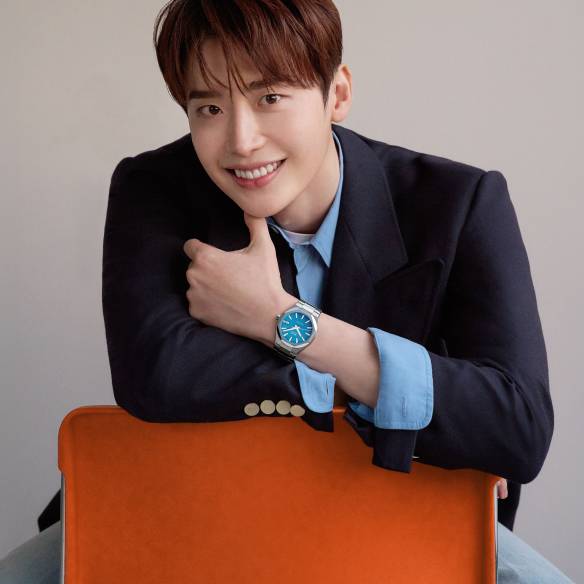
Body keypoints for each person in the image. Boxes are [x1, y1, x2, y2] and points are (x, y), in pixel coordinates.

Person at [1, 1, 574, 582]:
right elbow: (156, 378)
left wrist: (279, 319)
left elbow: (517, 427)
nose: (241, 140)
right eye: (209, 107)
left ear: (337, 94)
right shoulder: (153, 188)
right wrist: (415, 411)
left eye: (269, 97)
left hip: (402, 505)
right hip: (184, 501)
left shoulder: (458, 202)